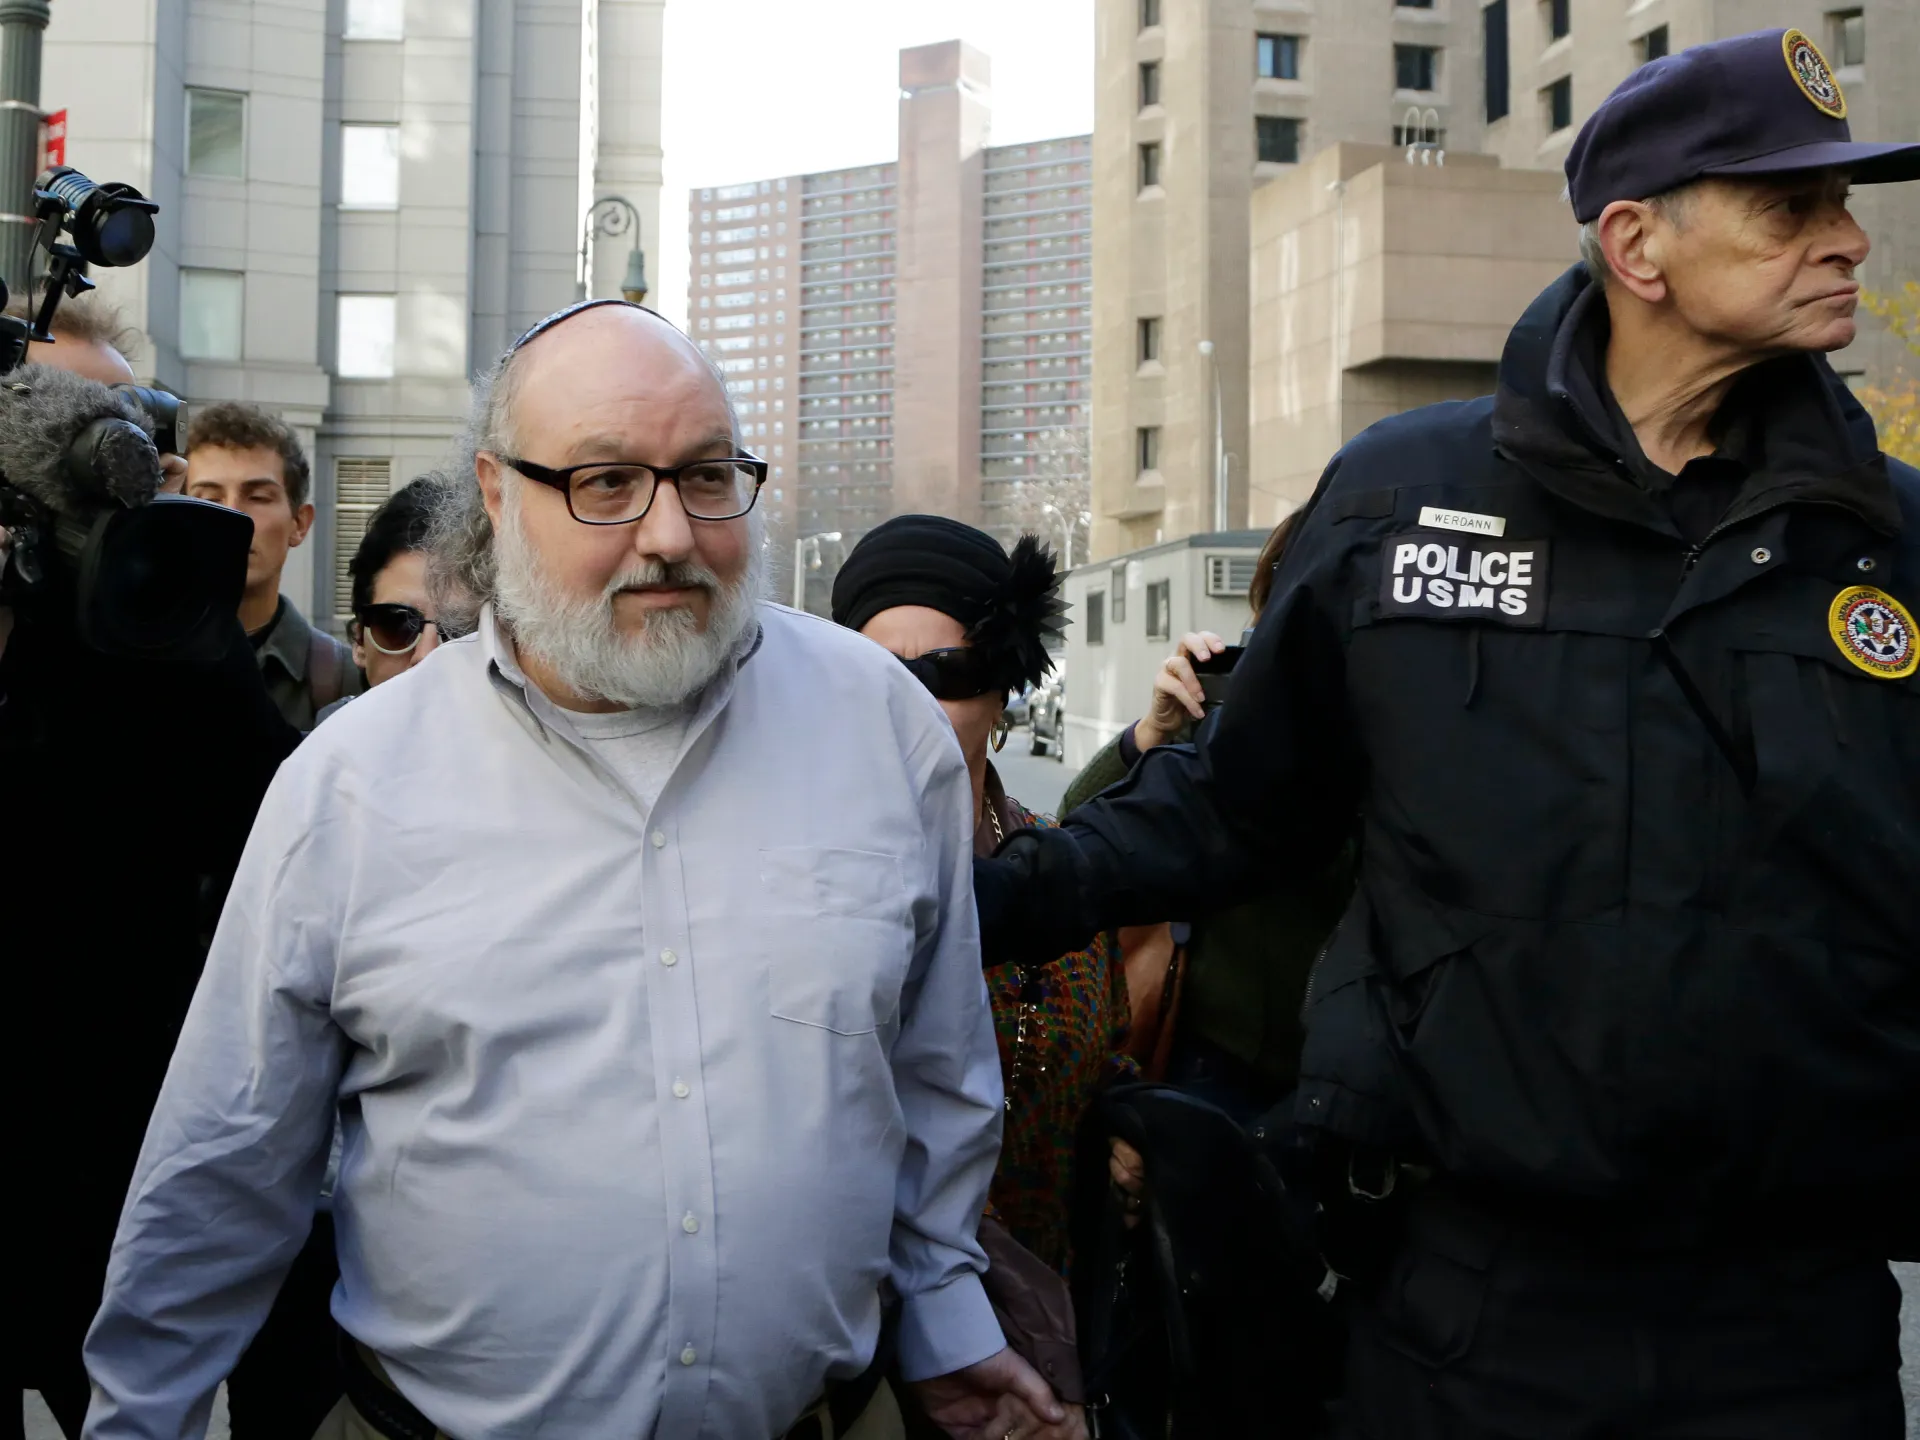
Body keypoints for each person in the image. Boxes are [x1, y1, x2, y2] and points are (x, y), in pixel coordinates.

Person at [975, 29, 1920, 1438]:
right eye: (1792, 208)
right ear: (1638, 246)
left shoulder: (1892, 539)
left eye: (1842, 202)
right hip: (1467, 1311)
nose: (1849, 239)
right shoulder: (1398, 502)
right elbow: (1237, 807)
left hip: (1795, 1324)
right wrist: (968, 896)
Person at [81, 299, 1070, 1440]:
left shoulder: (879, 729)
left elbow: (935, 1071)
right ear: (497, 496)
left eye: (707, 476)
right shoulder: (350, 785)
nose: (670, 533)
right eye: (607, 482)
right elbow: (226, 1161)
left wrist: (944, 1319)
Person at [3, 309, 307, 1434]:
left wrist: (175, 602)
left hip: (111, 1202)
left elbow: (277, 829)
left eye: (127, 435)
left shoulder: (163, 658)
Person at [832, 517, 1134, 1269]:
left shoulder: (1054, 858)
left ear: (1001, 690)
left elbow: (1105, 1055)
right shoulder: (800, 872)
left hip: (1040, 1289)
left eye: (947, 672)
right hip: (863, 1292)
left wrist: (1130, 1129)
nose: (912, 702)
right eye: (879, 675)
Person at [186, 401, 361, 730]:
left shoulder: (344, 679)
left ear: (299, 523)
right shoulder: (135, 661)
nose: (233, 517)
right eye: (209, 499)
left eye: (258, 498)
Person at [314, 476, 451, 723]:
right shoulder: (319, 745)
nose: (426, 655)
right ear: (359, 641)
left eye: (459, 631)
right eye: (398, 625)